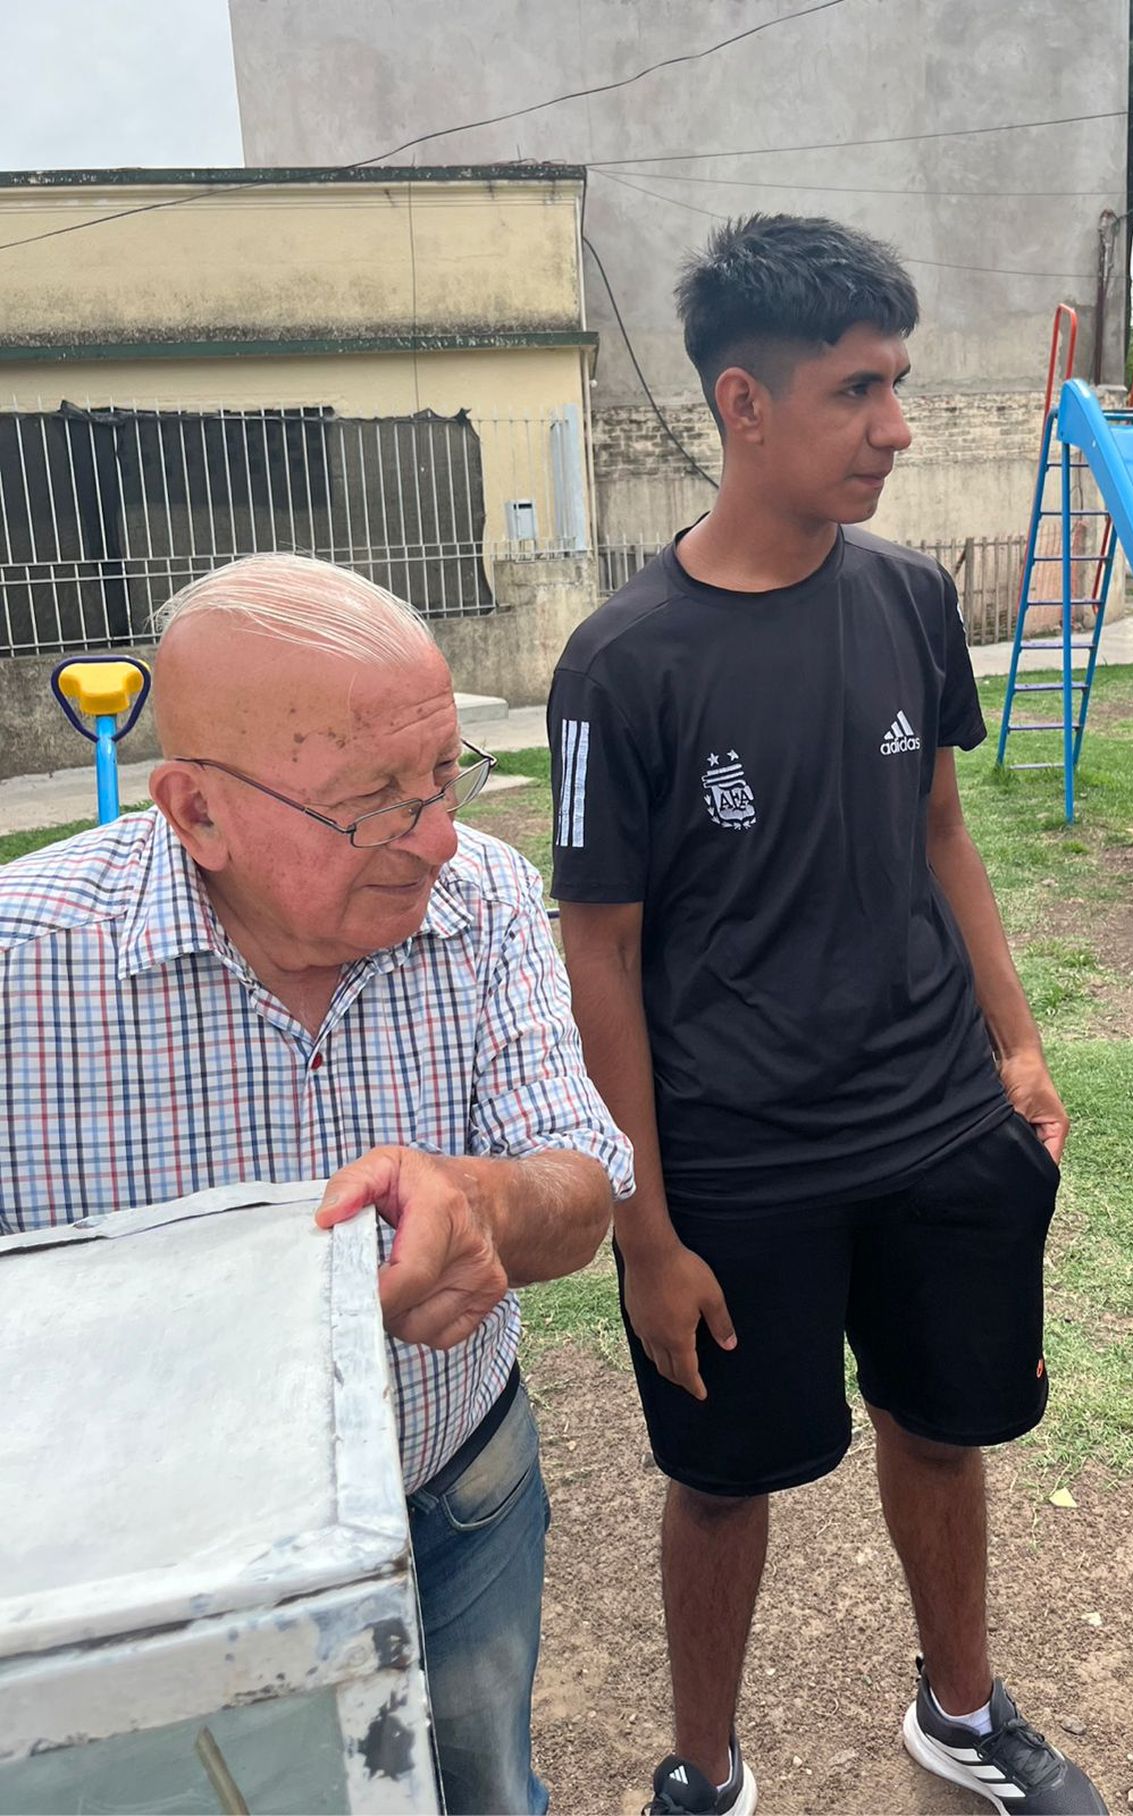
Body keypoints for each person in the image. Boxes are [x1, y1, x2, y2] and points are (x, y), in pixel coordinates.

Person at [549, 216, 1106, 1816]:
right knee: (720, 1485)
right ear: (745, 402)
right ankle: (706, 1769)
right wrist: (645, 1229)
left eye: (899, 384)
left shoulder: (915, 598)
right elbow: (600, 950)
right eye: (861, 390)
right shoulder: (620, 667)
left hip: (935, 1119)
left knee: (944, 1429)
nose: (897, 425)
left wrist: (1016, 1047)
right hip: (738, 1162)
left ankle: (963, 1712)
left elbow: (940, 830)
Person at [0, 553, 633, 1816]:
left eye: (447, 773)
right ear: (196, 813)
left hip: (458, 1491)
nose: (442, 835)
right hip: (151, 1576)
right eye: (376, 803)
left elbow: (583, 1179)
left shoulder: (489, 902)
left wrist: (478, 1203)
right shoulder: (26, 965)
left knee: (483, 1786)